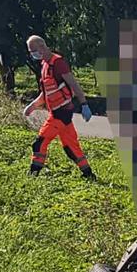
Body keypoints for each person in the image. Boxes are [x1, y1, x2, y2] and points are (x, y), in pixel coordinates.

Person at [23, 35, 95, 180]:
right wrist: (33, 106)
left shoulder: (58, 63)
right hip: (58, 112)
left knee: (40, 143)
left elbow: (74, 84)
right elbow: (47, 92)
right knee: (71, 147)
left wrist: (84, 104)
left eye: (33, 51)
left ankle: (33, 175)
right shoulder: (45, 65)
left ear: (42, 47)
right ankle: (88, 174)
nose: (33, 55)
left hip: (60, 113)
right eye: (31, 52)